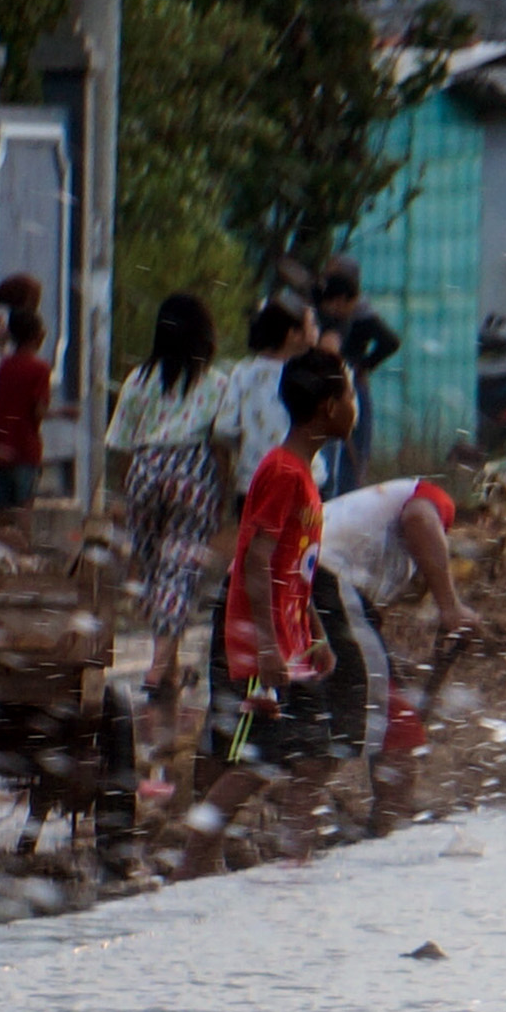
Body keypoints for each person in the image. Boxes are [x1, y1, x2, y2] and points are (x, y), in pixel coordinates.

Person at [178, 349, 356, 879]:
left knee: (313, 756)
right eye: (348, 396)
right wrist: (265, 646)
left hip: (288, 639)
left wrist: (315, 633)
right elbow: (254, 560)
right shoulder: (281, 472)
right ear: (327, 407)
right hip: (259, 644)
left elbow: (292, 569)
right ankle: (187, 871)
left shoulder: (303, 476)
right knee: (251, 764)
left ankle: (292, 868)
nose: (354, 407)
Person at [107, 292, 237, 751]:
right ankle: (159, 663)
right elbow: (221, 445)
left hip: (146, 468)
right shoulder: (217, 384)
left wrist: (131, 494)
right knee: (179, 568)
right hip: (192, 469)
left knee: (150, 566)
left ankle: (166, 657)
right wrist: (220, 494)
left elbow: (122, 443)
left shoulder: (138, 380)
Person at [314, 470, 477, 833]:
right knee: (391, 718)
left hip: (299, 583)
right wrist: (450, 606)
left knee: (353, 710)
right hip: (322, 581)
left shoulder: (366, 530)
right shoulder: (430, 499)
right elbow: (420, 518)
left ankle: (311, 826)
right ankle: (386, 826)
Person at [319, 261, 400, 484]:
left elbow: (391, 341)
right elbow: (391, 342)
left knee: (335, 450)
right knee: (352, 449)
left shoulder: (329, 312)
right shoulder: (358, 311)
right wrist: (363, 365)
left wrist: (363, 366)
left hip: (336, 382)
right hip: (351, 382)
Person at [0, 308, 51, 535]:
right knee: (24, 506)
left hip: (1, 445)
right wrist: (59, 413)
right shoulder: (40, 369)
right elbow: (38, 413)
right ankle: (24, 554)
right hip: (25, 446)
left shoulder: (4, 365)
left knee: (0, 507)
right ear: (38, 336)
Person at [224, 300, 306, 487]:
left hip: (253, 480)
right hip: (301, 479)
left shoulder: (241, 372)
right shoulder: (303, 374)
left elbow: (224, 427)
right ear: (292, 335)